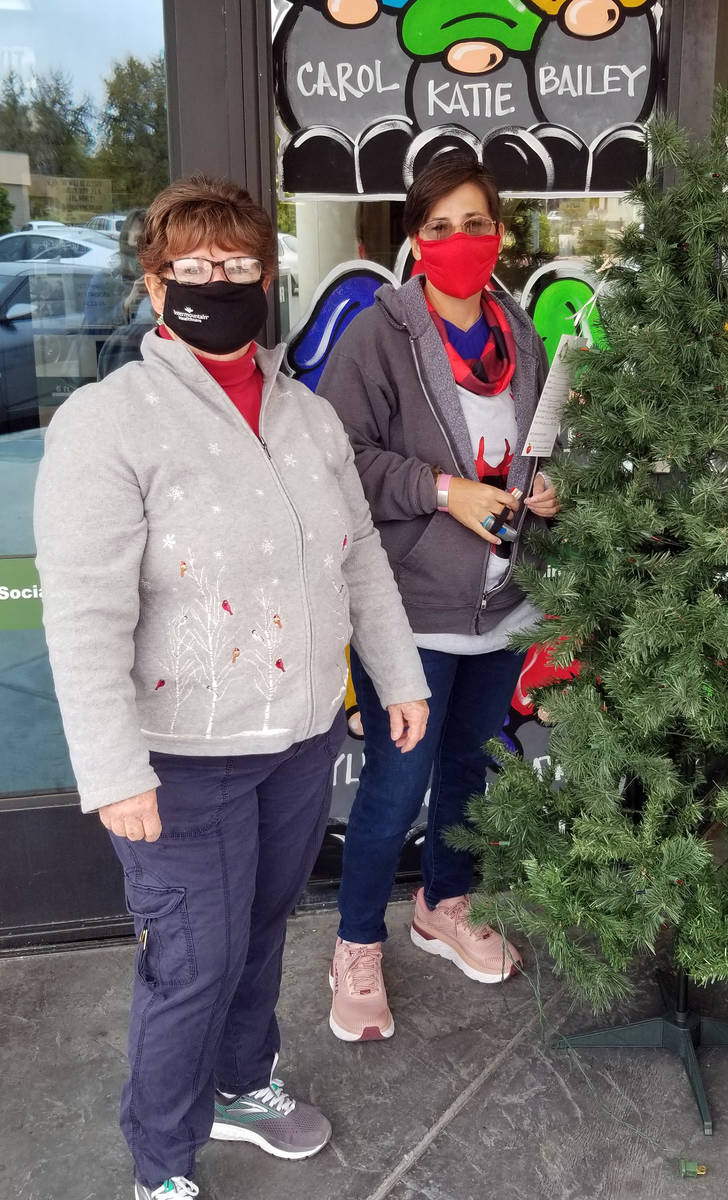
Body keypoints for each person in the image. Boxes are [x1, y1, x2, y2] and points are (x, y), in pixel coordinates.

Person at [34, 175, 430, 1200]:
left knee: (258, 938)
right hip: (177, 764)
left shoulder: (305, 415)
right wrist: (114, 770)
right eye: (193, 268)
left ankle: (242, 1086)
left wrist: (398, 672)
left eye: (238, 265)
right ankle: (159, 1159)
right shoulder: (105, 423)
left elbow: (355, 563)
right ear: (154, 284)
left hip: (293, 744)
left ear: (267, 274)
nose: (218, 283)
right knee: (193, 965)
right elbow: (82, 618)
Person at [318, 155, 559, 1043]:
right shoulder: (375, 338)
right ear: (414, 241)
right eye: (440, 226)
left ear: (499, 233)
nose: (461, 242)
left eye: (476, 223)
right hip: (410, 610)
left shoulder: (519, 332)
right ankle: (355, 945)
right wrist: (440, 489)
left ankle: (442, 905)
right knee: (395, 782)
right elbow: (338, 453)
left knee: (468, 769)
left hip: (500, 603)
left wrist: (544, 489)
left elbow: (538, 439)